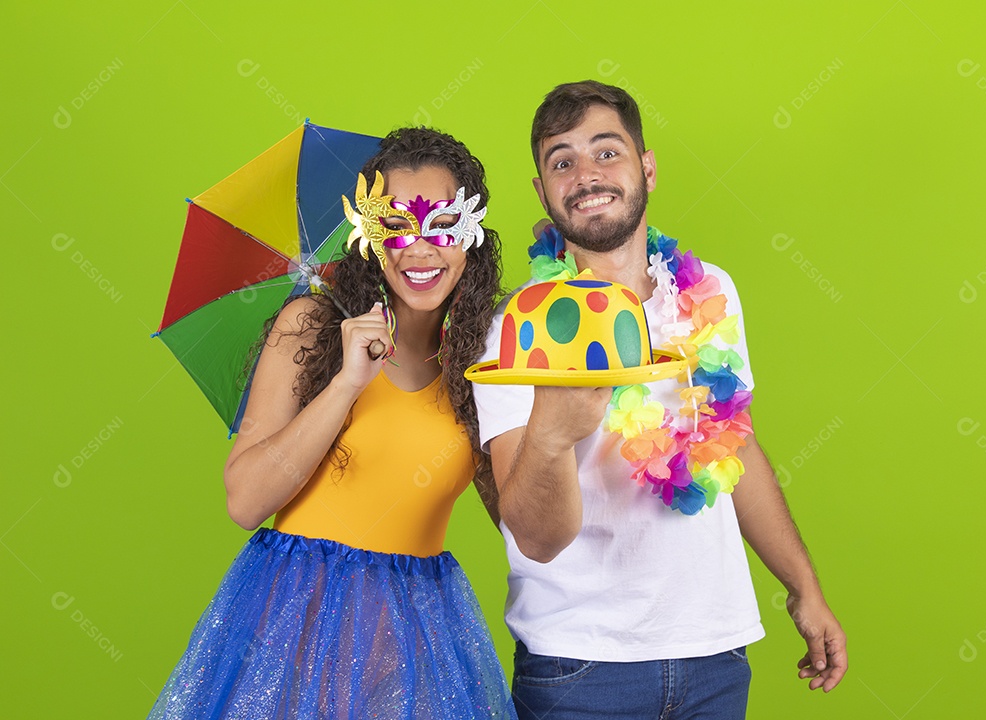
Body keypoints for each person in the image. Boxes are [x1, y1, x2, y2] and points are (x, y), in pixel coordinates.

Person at [471, 81, 847, 719]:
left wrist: (801, 585)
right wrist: (552, 434)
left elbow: (733, 443)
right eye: (561, 161)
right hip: (581, 667)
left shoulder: (710, 292)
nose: (586, 175)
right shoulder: (521, 325)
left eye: (606, 151)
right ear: (542, 191)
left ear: (647, 166)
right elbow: (532, 537)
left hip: (716, 652)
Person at [148, 127, 516, 719]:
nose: (420, 250)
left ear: (471, 238)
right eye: (397, 227)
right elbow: (245, 501)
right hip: (297, 624)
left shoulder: (484, 359)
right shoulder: (311, 325)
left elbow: (521, 525)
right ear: (369, 236)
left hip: (419, 643)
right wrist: (346, 383)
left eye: (443, 225)